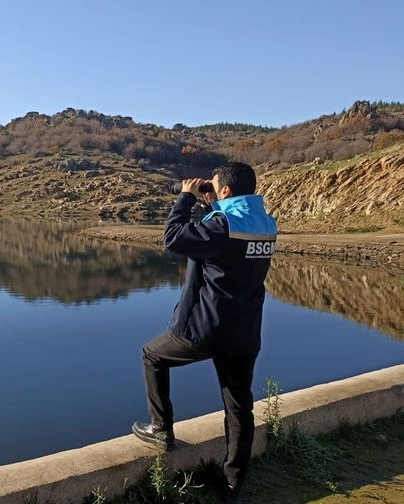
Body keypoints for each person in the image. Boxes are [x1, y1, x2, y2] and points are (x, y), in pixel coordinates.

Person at [131, 162, 278, 503]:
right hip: (244, 331)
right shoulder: (266, 224)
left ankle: (160, 430)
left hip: (205, 329)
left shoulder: (221, 225)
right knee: (239, 406)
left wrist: (185, 197)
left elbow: (173, 237)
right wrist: (213, 205)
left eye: (213, 185)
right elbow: (227, 247)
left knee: (152, 355)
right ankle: (233, 483)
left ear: (225, 189)